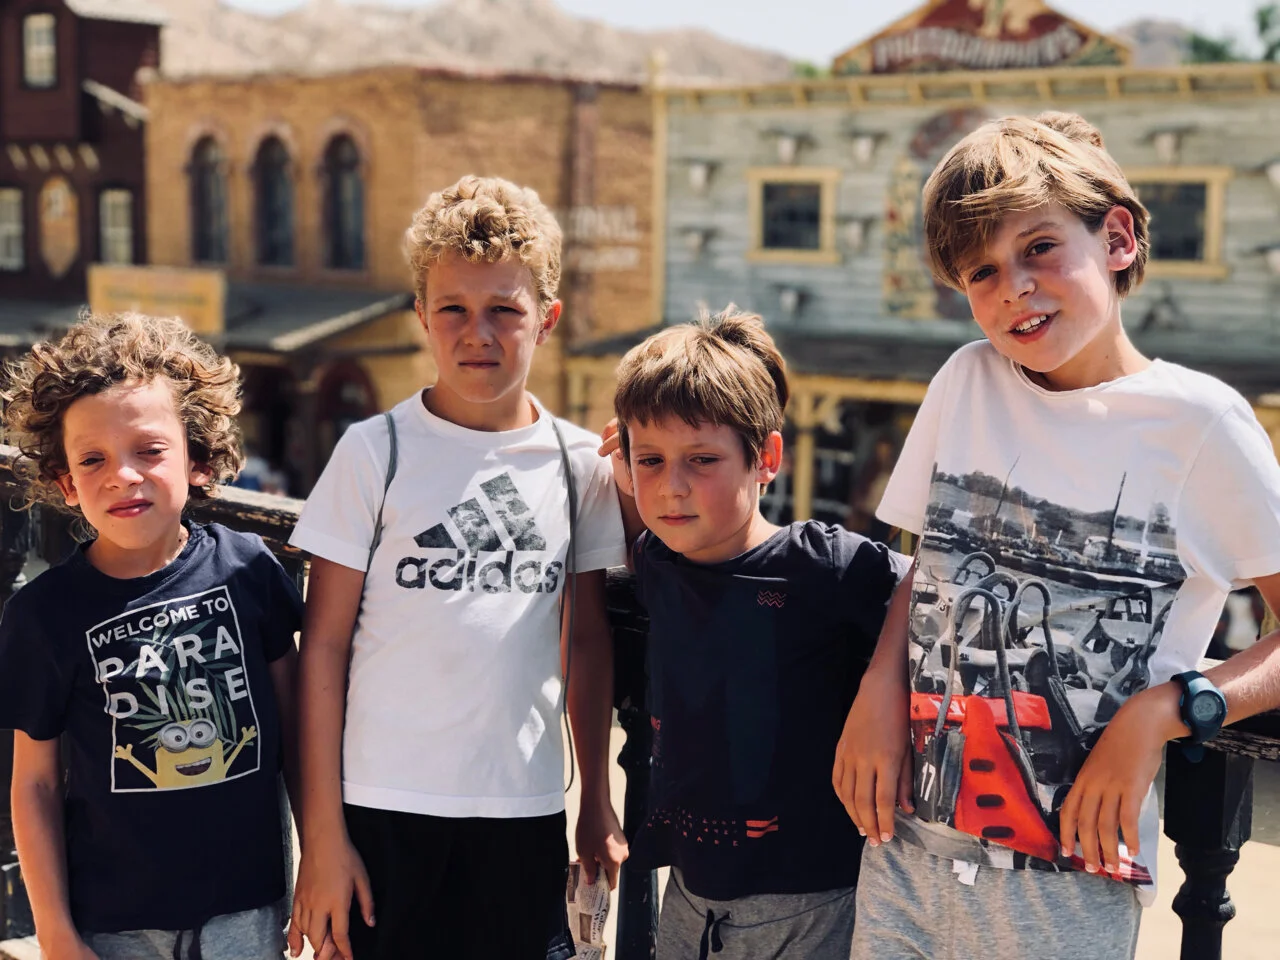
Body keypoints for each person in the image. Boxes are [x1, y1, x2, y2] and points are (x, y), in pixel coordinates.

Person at [836, 111, 1280, 959]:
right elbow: (932, 563)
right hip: (904, 851)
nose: (1014, 288)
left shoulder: (1204, 424)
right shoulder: (964, 380)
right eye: (982, 271)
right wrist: (878, 685)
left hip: (1068, 880)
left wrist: (1166, 711)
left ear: (1116, 238)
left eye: (1039, 248)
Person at [286, 175, 627, 960]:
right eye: (453, 310)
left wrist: (595, 802)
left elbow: (585, 642)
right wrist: (323, 840)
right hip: (382, 810)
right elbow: (323, 648)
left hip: (522, 812)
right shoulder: (373, 452)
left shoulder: (579, 466)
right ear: (421, 316)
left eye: (505, 310)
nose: (479, 334)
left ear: (547, 318)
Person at [599, 307, 909, 960]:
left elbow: (927, 591)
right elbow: (635, 512)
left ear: (766, 458)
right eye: (650, 460)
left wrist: (883, 685)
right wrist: (627, 468)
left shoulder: (823, 565)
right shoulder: (656, 560)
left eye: (702, 460)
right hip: (689, 896)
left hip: (814, 905)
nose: (672, 487)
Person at [0, 311, 302, 960]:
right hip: (113, 925)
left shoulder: (251, 572)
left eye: (150, 450)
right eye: (93, 459)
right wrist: (54, 931)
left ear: (198, 458)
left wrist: (322, 860)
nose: (124, 475)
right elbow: (35, 785)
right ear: (66, 483)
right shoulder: (44, 615)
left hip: (248, 911)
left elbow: (298, 738)